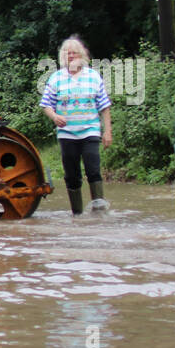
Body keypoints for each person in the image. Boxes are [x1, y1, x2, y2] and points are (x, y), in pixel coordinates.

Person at [40, 36, 112, 215]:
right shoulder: (56, 78)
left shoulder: (93, 76)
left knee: (93, 169)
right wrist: (54, 116)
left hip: (90, 131)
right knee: (72, 176)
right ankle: (77, 214)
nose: (71, 56)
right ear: (63, 56)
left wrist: (107, 131)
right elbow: (46, 104)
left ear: (82, 55)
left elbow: (104, 106)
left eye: (74, 52)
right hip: (67, 133)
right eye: (68, 53)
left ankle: (99, 210)